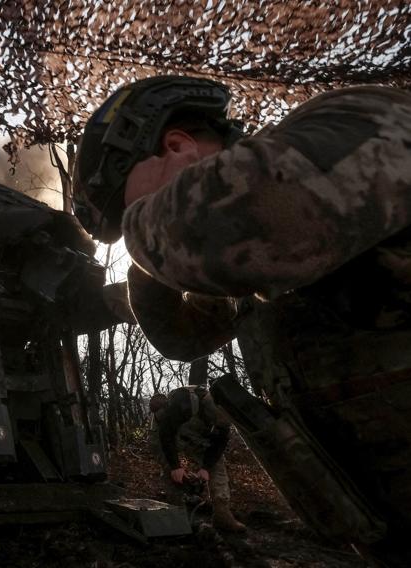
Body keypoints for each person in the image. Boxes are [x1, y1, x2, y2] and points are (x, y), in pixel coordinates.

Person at [73, 75, 411, 564]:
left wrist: (143, 225)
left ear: (177, 145)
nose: (140, 229)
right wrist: (145, 271)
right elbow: (182, 337)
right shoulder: (252, 264)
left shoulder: (353, 115)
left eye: (138, 209)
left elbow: (252, 218)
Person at [148, 387, 245, 532]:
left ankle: (222, 514)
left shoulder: (224, 417)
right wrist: (175, 466)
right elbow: (166, 434)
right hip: (163, 433)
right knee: (171, 470)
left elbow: (219, 445)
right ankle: (178, 512)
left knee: (217, 465)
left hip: (194, 436)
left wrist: (205, 468)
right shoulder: (184, 401)